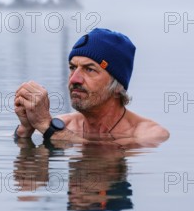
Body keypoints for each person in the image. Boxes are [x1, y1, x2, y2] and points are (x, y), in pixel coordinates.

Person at [14, 28, 169, 147]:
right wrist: (26, 128)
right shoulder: (63, 124)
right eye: (72, 67)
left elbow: (104, 157)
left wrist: (46, 126)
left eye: (89, 69)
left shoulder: (148, 134)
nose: (74, 79)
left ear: (117, 86)